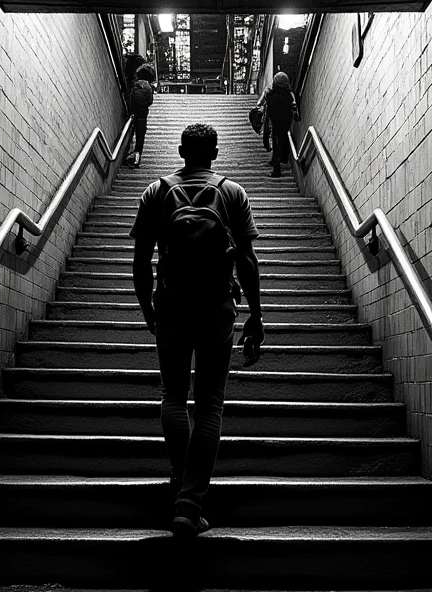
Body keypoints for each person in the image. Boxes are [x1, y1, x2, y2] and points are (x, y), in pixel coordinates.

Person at [130, 123, 264, 537]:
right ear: (217, 152)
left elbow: (139, 262)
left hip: (171, 306)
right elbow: (247, 259)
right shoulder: (232, 193)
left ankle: (180, 482)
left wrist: (149, 309)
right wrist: (255, 316)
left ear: (180, 150)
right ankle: (190, 503)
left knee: (173, 395)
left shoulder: (155, 192)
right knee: (209, 404)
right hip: (216, 309)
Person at [256, 71, 300, 177]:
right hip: (285, 120)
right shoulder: (289, 93)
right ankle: (281, 160)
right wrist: (296, 115)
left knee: (276, 142)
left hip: (274, 119)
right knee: (281, 139)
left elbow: (259, 103)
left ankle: (277, 169)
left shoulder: (269, 92)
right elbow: (294, 106)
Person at [126, 64, 156, 168]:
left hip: (133, 112)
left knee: (129, 133)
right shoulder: (148, 86)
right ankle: (136, 159)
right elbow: (150, 101)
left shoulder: (135, 85)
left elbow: (131, 97)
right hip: (143, 114)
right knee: (140, 136)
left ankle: (128, 155)